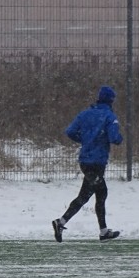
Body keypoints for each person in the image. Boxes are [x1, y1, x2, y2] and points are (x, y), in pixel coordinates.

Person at [52, 85, 123, 242]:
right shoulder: (109, 116)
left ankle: (62, 222)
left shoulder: (85, 114)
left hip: (85, 161)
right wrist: (118, 139)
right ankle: (102, 231)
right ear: (111, 100)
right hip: (98, 162)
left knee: (88, 196)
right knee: (99, 193)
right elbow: (114, 138)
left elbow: (70, 131)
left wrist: (84, 139)